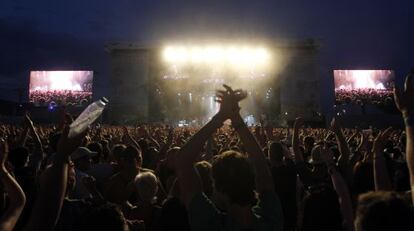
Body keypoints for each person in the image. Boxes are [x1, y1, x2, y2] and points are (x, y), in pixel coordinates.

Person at [175, 85, 283, 230]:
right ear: (252, 182)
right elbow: (262, 168)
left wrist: (221, 117)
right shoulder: (271, 221)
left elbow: (182, 159)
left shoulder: (211, 224)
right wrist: (236, 119)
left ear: (220, 191)